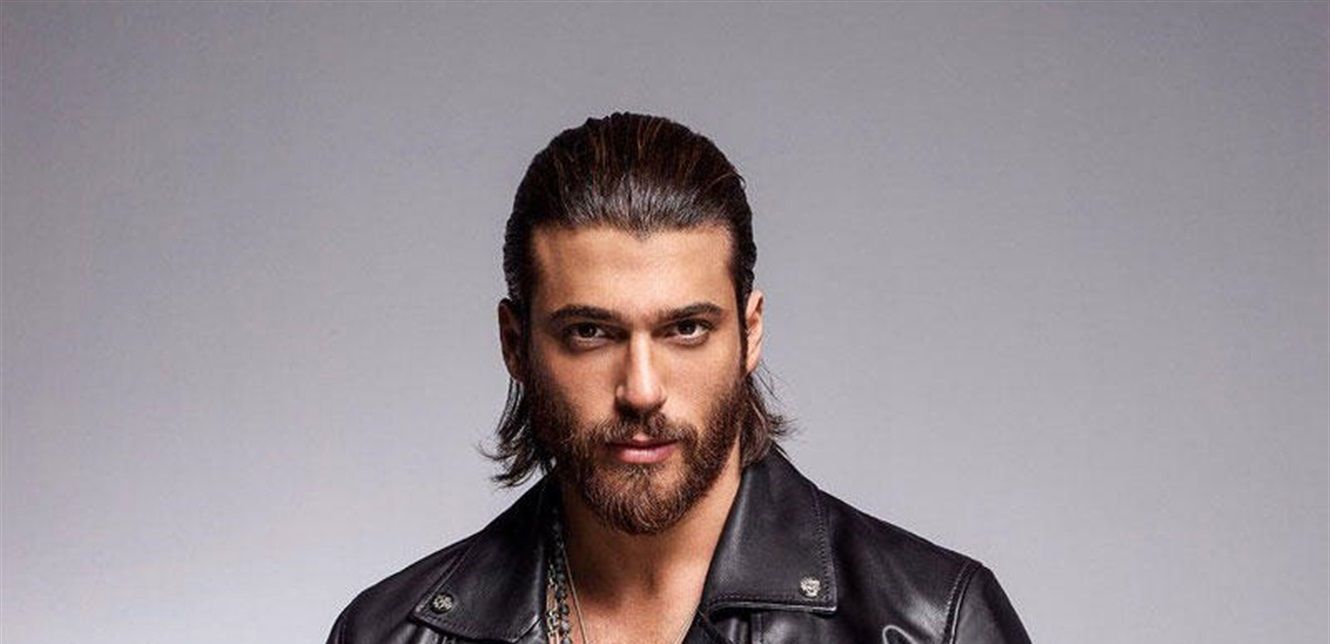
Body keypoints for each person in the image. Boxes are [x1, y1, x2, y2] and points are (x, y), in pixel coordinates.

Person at [326, 112, 1032, 644]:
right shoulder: (388, 633)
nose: (641, 390)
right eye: (590, 332)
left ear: (749, 333)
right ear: (516, 344)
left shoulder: (931, 624)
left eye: (686, 329)